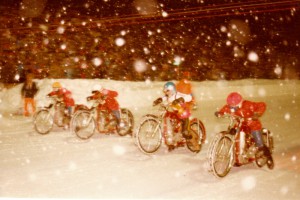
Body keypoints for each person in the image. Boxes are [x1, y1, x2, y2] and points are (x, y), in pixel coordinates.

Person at [215, 92, 274, 169]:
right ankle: (238, 157)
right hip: (240, 123)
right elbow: (225, 109)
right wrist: (220, 113)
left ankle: (268, 157)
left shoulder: (248, 105)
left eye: (234, 107)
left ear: (240, 103)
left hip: (252, 124)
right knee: (235, 137)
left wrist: (257, 114)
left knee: (259, 143)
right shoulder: (230, 107)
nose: (232, 109)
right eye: (230, 107)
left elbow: (262, 105)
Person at [153, 82, 198, 151]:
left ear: (172, 90)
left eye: (167, 91)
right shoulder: (168, 96)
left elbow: (189, 97)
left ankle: (195, 143)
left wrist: (180, 99)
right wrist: (159, 100)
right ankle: (172, 142)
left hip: (183, 115)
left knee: (185, 132)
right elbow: (164, 98)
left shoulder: (178, 95)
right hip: (175, 114)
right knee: (170, 125)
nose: (166, 93)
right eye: (165, 91)